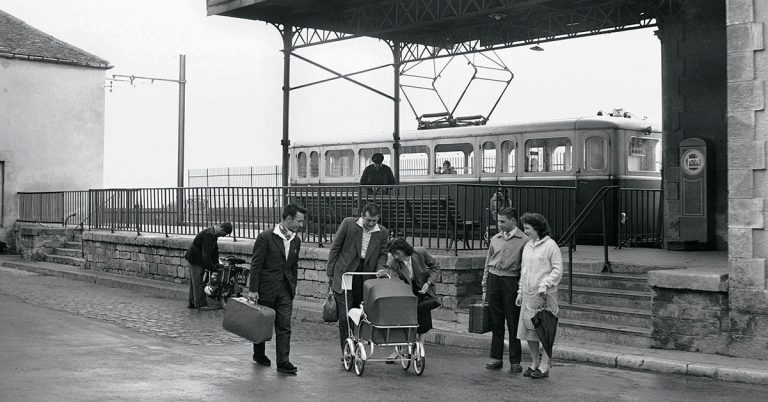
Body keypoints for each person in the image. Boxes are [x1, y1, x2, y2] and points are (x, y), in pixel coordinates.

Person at [248, 203, 307, 375]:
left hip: (285, 290)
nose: (301, 225)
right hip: (266, 288)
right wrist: (253, 289)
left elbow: (293, 267)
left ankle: (283, 361)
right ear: (288, 219)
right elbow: (256, 265)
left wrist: (293, 286)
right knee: (262, 324)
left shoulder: (296, 240)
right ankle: (259, 354)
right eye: (299, 221)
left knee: (284, 326)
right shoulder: (265, 237)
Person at [327, 202, 389, 358]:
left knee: (360, 312)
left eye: (375, 220)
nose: (371, 224)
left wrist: (381, 268)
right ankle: (347, 350)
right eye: (368, 220)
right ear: (362, 215)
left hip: (365, 275)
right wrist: (330, 273)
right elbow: (335, 247)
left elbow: (382, 254)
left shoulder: (382, 232)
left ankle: (357, 342)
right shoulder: (349, 224)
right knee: (345, 314)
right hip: (346, 273)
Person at [481, 207, 528, 372]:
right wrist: (485, 286)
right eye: (498, 221)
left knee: (513, 322)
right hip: (494, 279)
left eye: (503, 221)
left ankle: (515, 361)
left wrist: (521, 291)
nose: (499, 224)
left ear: (513, 221)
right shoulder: (495, 238)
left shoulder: (524, 240)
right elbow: (488, 263)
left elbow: (525, 268)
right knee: (496, 321)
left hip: (511, 280)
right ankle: (496, 357)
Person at [516, 212, 562, 379]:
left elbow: (558, 270)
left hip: (545, 296)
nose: (525, 231)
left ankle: (544, 366)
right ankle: (534, 363)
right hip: (529, 295)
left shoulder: (551, 246)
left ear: (537, 228)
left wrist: (545, 284)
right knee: (529, 331)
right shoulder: (528, 246)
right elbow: (524, 271)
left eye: (527, 228)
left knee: (545, 331)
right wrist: (520, 292)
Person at [385, 238, 439, 342]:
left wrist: (428, 283)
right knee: (407, 319)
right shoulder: (393, 263)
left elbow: (435, 267)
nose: (396, 256)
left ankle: (420, 348)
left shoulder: (420, 252)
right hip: (406, 291)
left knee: (424, 319)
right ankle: (405, 347)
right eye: (393, 254)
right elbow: (396, 282)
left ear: (404, 249)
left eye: (397, 253)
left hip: (423, 288)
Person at [184, 222, 233, 310]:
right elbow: (206, 254)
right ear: (221, 229)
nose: (223, 236)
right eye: (224, 234)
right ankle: (200, 304)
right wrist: (212, 267)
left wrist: (216, 263)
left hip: (194, 258)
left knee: (194, 282)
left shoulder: (213, 234)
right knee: (198, 281)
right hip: (195, 259)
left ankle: (192, 303)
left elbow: (214, 250)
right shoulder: (209, 234)